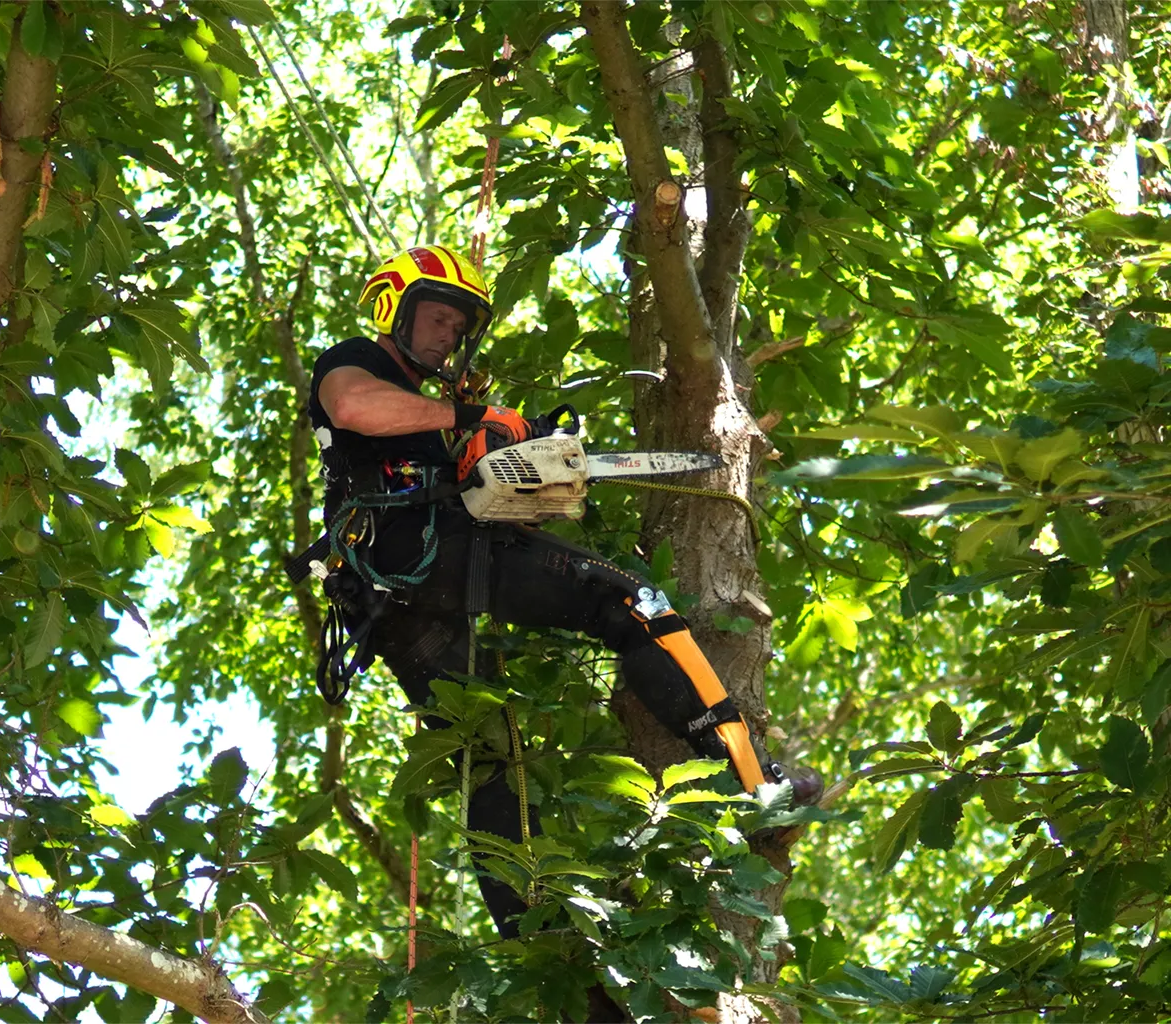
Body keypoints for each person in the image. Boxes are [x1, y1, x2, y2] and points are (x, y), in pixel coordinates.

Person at [306, 244, 814, 943]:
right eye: (437, 317)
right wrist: (474, 418)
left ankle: (548, 954)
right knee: (633, 602)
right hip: (406, 566)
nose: (447, 334)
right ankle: (754, 780)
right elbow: (356, 408)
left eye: (458, 327)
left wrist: (527, 462)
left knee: (490, 754)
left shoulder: (437, 411)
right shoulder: (353, 362)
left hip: (424, 583)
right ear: (395, 305)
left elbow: (481, 480)